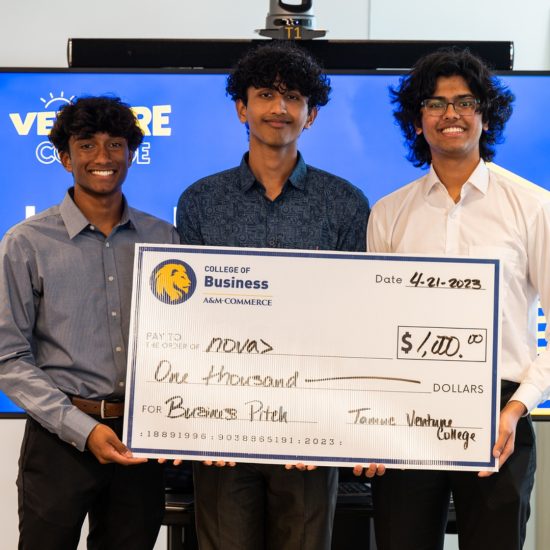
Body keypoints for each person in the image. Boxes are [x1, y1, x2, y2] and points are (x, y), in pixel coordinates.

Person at [176, 42, 373, 550]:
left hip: (310, 428)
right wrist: (195, 419)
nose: (278, 109)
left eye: (293, 98)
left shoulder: (346, 203)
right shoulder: (200, 200)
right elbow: (184, 320)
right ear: (242, 108)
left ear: (311, 115)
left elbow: (356, 319)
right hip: (222, 424)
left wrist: (335, 420)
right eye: (265, 95)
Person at [366, 48, 550, 550]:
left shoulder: (533, 207)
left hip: (499, 416)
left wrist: (516, 408)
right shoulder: (388, 214)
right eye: (436, 103)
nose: (451, 114)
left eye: (465, 102)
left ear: (485, 116)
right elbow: (371, 332)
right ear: (417, 119)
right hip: (404, 416)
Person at [0, 96, 180, 549]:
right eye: (87, 145)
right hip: (59, 437)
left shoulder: (164, 238)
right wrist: (81, 429)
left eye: (115, 144)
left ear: (131, 154)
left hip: (140, 439)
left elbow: (182, 341)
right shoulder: (26, 243)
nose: (103, 158)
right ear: (65, 158)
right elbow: (9, 357)